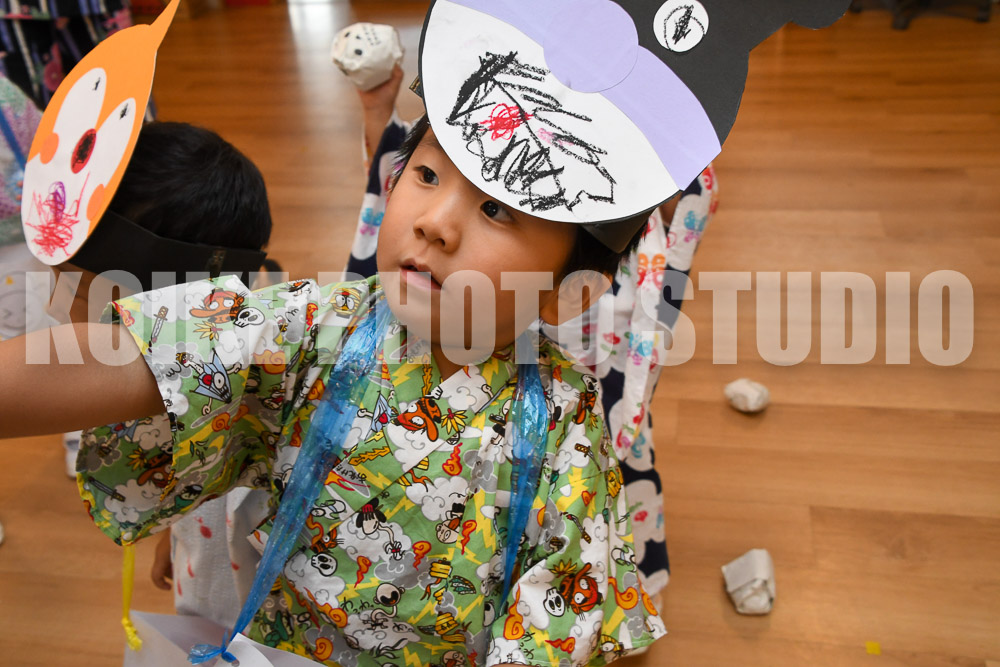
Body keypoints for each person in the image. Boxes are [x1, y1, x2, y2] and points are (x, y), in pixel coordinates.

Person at [344, 64, 718, 600]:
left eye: (495, 207)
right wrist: (378, 113)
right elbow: (415, 174)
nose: (435, 224)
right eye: (426, 176)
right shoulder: (332, 331)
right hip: (482, 323)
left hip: (586, 344)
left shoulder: (654, 158)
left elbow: (677, 233)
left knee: (596, 462)